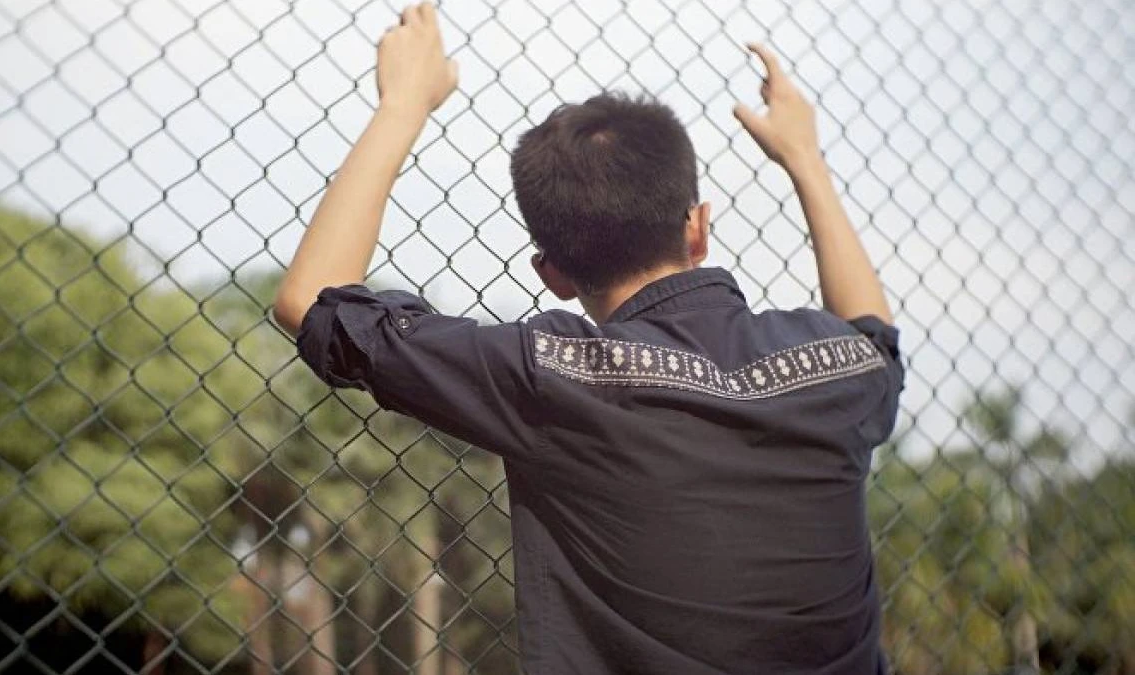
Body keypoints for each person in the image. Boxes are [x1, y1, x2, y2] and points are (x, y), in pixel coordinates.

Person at [273, 3, 903, 673]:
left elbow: (311, 300)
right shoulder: (834, 364)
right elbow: (876, 335)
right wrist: (805, 159)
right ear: (698, 228)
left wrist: (402, 106)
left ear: (552, 274)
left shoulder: (552, 373)